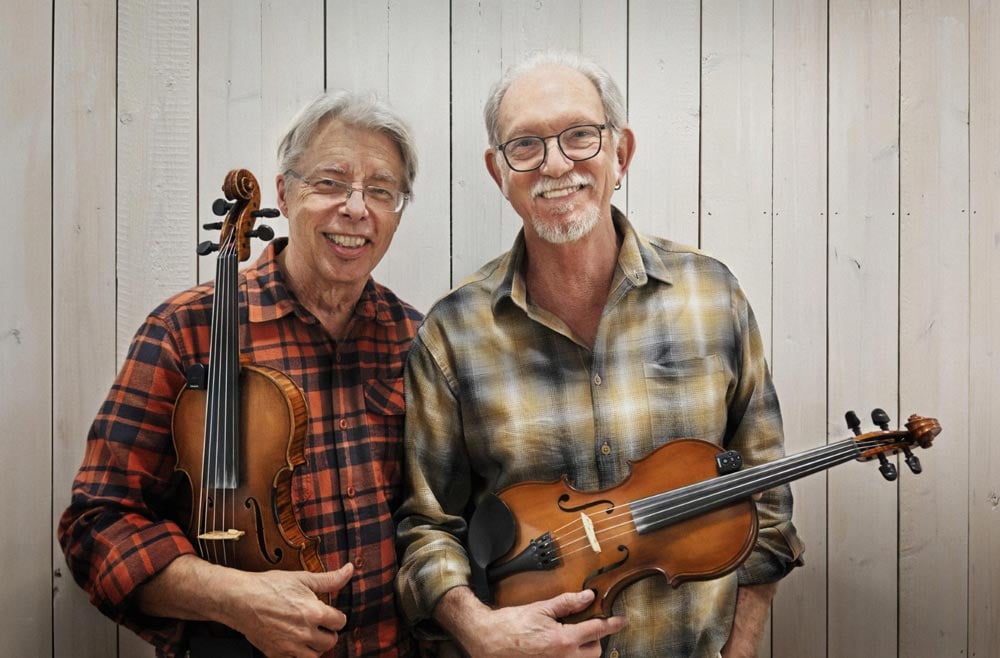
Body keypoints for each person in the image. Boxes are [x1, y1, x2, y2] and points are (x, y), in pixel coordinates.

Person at [395, 50, 804, 658]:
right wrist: (478, 630)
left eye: (580, 136)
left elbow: (767, 503)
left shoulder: (713, 297)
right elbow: (429, 528)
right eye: (525, 146)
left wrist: (738, 649)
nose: (555, 164)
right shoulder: (453, 332)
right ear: (498, 172)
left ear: (622, 152)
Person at [58, 90, 422, 658]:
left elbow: (435, 520)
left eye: (381, 191)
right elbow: (96, 525)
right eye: (330, 182)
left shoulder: (415, 340)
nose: (357, 208)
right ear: (284, 191)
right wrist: (232, 597)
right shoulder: (186, 331)